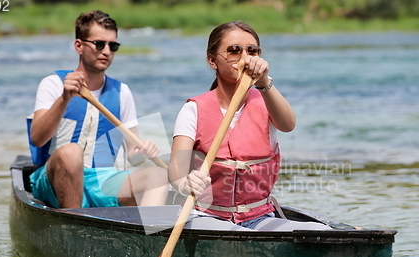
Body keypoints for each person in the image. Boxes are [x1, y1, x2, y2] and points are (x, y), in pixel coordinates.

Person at [168, 21, 330, 231]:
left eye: (252, 51)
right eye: (234, 51)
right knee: (235, 233)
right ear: (212, 60)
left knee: (321, 232)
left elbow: (288, 124)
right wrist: (184, 182)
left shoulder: (267, 100)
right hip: (205, 215)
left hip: (259, 217)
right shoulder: (193, 110)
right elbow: (175, 168)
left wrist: (263, 82)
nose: (244, 57)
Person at [27, 10, 167, 209]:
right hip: (53, 178)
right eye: (99, 44)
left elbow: (133, 156)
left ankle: (151, 238)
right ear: (79, 46)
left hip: (102, 181)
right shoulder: (53, 84)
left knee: (157, 175)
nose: (107, 51)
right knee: (71, 152)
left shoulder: (122, 92)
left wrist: (143, 151)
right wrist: (64, 99)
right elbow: (38, 138)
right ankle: (73, 226)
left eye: (113, 45)